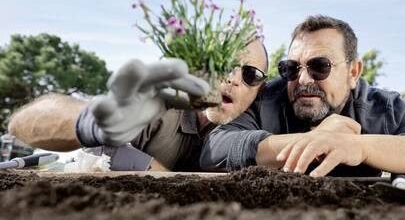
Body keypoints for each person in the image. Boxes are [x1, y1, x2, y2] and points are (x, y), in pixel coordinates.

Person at [200, 15, 405, 192]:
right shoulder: (269, 97)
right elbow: (215, 149)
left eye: (319, 66)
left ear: (353, 73)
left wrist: (360, 147)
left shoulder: (382, 107)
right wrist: (315, 140)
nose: (302, 80)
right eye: (291, 68)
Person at [8, 39, 268, 171]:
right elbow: (20, 125)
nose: (232, 78)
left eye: (251, 74)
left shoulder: (259, 135)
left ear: (261, 89)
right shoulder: (156, 104)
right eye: (223, 62)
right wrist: (92, 124)